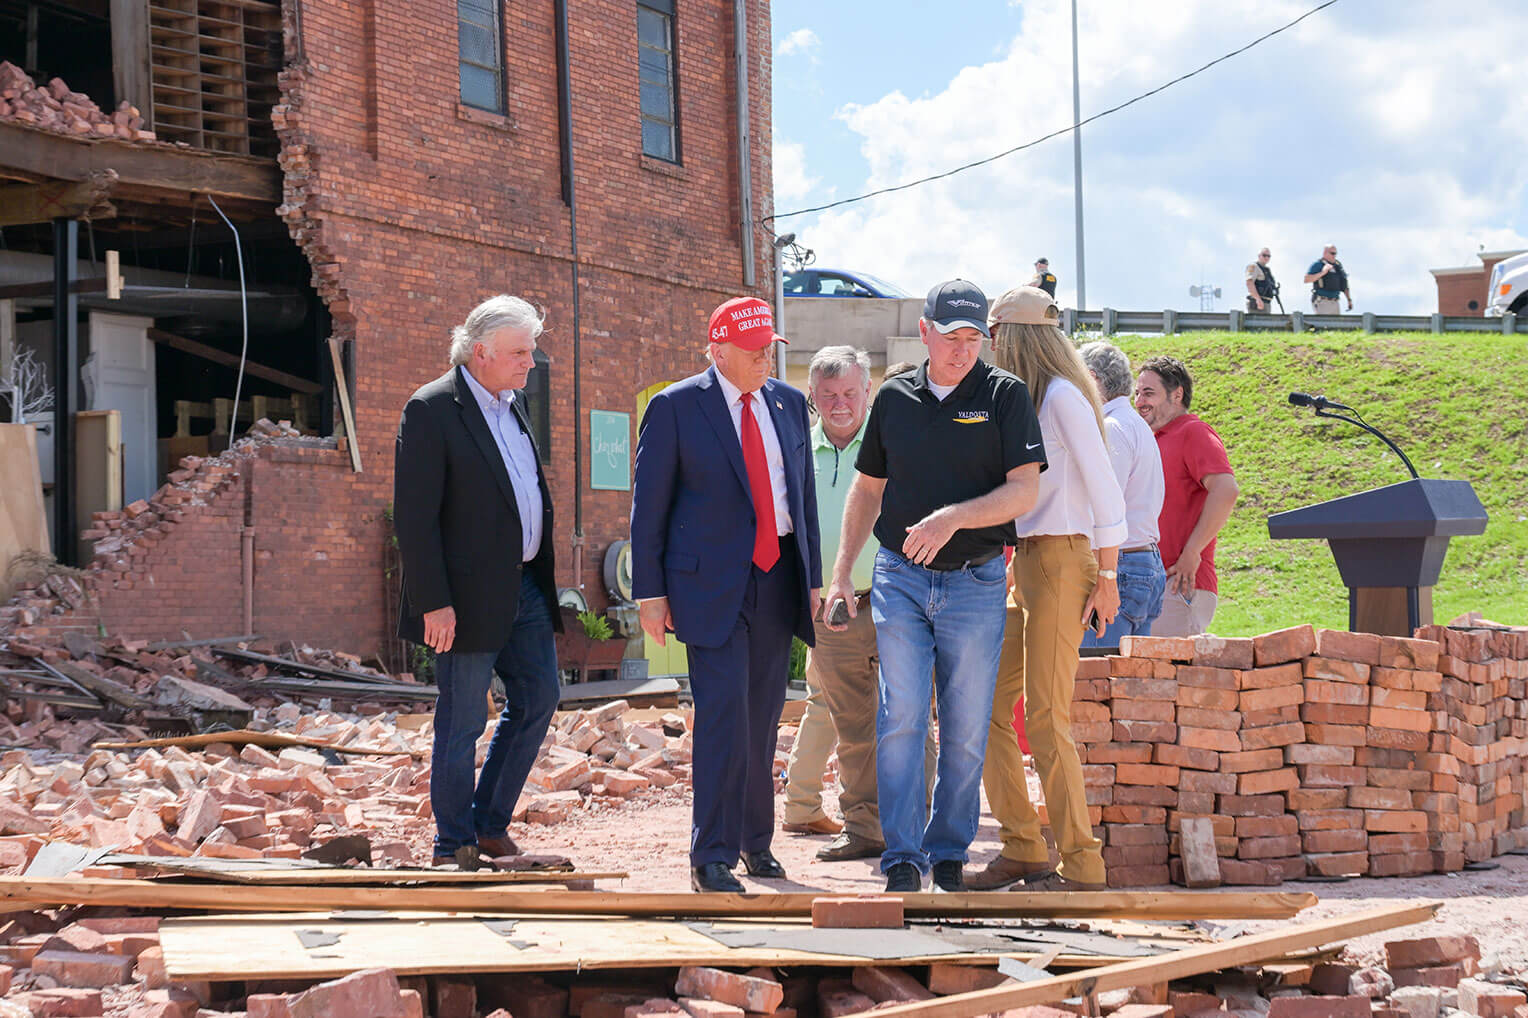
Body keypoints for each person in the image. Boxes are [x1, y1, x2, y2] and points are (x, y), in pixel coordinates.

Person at [824, 279, 1045, 893]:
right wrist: (843, 572)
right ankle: (901, 855)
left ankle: (948, 849)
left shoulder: (1006, 396)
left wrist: (954, 517)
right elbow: (867, 490)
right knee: (901, 717)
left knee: (968, 724)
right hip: (899, 578)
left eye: (975, 337)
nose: (963, 350)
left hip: (976, 582)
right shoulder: (894, 398)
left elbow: (1025, 490)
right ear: (925, 332)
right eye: (951, 337)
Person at [629, 296, 821, 893]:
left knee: (763, 720)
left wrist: (812, 581)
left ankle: (753, 844)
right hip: (708, 587)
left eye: (771, 346)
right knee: (721, 717)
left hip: (777, 575)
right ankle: (709, 854)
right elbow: (649, 508)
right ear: (717, 350)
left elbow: (802, 499)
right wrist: (650, 593)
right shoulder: (677, 406)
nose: (766, 356)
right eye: (754, 348)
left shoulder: (790, 404)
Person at [392, 295, 562, 870]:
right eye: (521, 351)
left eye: (531, 350)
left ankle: (489, 826)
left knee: (540, 697)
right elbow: (413, 520)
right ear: (481, 351)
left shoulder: (512, 406)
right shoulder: (432, 409)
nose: (531, 361)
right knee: (462, 720)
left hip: (526, 588)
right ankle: (453, 844)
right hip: (462, 600)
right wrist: (432, 603)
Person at [964, 286, 1124, 893]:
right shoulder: (1028, 399)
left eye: (996, 334)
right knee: (986, 707)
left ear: (1019, 338)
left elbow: (1107, 496)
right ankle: (1024, 847)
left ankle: (1081, 864)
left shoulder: (1061, 398)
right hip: (1030, 560)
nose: (989, 346)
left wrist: (1107, 577)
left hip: (1064, 561)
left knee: (1048, 715)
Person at [782, 346, 933, 862]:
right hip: (831, 611)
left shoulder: (899, 440)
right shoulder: (798, 448)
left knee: (909, 717)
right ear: (813, 396)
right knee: (851, 726)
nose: (840, 403)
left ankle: (920, 825)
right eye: (828, 395)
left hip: (899, 600)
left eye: (849, 392)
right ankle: (866, 828)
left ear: (868, 391)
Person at [1133, 355, 1239, 637]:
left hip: (1179, 583)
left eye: (1149, 393)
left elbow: (1226, 490)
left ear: (1176, 393)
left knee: (1169, 678)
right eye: (1137, 392)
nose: (1139, 401)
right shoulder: (1152, 439)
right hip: (1152, 583)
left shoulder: (1193, 432)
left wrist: (1192, 552)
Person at [1078, 341, 1166, 647]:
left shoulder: (1111, 428)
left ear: (1091, 378)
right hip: (1139, 562)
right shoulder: (1133, 425)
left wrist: (1105, 575)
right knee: (1124, 685)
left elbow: (1104, 509)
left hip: (1120, 566)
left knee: (1098, 682)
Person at [1304, 244, 1352, 313]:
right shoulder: (1318, 264)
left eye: (1335, 253)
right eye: (1332, 253)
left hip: (1335, 301)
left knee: (1336, 323)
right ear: (1325, 253)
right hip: (1322, 301)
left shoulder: (1337, 266)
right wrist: (1323, 272)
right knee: (1324, 323)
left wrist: (1349, 300)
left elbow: (1344, 284)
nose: (1334, 256)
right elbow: (1307, 279)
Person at [1245, 248, 1278, 313]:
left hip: (1266, 303)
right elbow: (1249, 282)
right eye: (1264, 255)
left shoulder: (1267, 270)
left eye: (1268, 256)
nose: (1266, 257)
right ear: (1259, 256)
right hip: (1257, 304)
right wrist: (1258, 299)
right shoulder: (1253, 266)